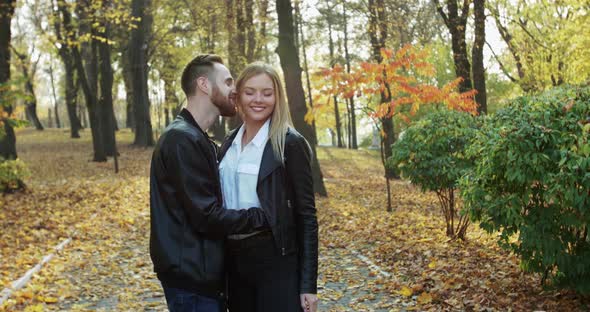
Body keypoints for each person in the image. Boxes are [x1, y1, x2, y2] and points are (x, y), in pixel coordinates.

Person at [150, 54, 268, 312]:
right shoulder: (181, 140)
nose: (234, 90)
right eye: (227, 82)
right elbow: (206, 216)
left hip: (201, 276)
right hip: (192, 280)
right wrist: (264, 217)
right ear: (204, 85)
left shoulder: (196, 138)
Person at [218, 63, 319, 312]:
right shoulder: (229, 142)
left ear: (277, 97)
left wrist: (308, 285)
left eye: (267, 92)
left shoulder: (290, 144)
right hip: (233, 262)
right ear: (239, 95)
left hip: (275, 261)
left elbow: (307, 217)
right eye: (250, 91)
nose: (258, 99)